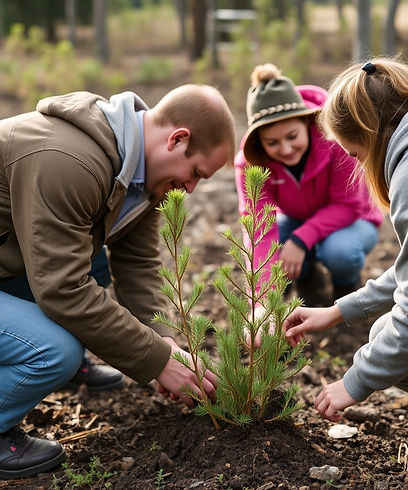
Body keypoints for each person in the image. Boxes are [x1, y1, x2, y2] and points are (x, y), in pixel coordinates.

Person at [0, 85, 235, 479]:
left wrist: (169, 346)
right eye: (194, 173)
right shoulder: (68, 160)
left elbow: (138, 264)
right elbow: (63, 289)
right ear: (177, 139)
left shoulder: (140, 175)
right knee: (54, 350)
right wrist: (155, 360)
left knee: (99, 265)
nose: (191, 189)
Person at [282, 58, 408, 488]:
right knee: (387, 336)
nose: (359, 165)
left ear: (371, 136)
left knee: (394, 346)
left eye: (355, 154)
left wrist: (355, 382)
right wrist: (339, 310)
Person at [234, 63, 383, 314]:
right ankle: (307, 279)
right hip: (296, 219)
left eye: (292, 136)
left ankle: (346, 291)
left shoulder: (336, 141)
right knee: (275, 251)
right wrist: (260, 305)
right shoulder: (252, 165)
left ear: (307, 122)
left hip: (353, 219)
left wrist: (301, 240)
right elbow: (258, 228)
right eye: (272, 143)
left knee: (340, 252)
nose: (285, 148)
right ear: (259, 142)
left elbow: (347, 205)